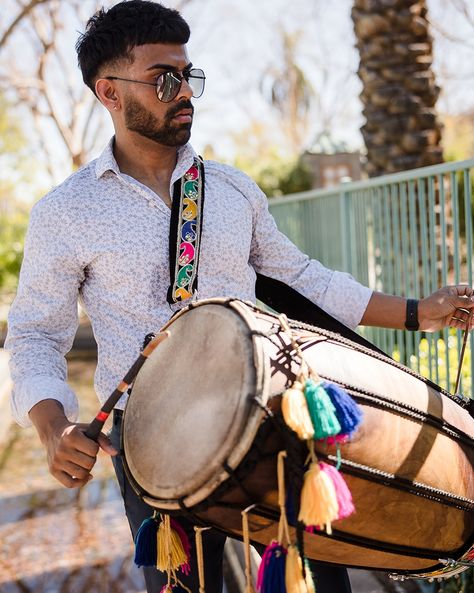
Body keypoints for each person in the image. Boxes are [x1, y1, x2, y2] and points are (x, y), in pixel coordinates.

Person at [5, 2, 474, 592]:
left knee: (318, 583)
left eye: (188, 76)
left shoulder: (230, 190)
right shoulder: (66, 211)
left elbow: (307, 281)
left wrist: (418, 313)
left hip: (272, 415)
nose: (185, 93)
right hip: (148, 437)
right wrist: (53, 428)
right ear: (109, 92)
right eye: (164, 79)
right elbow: (35, 333)